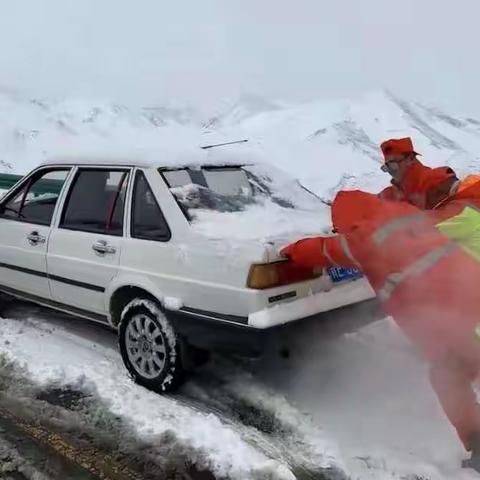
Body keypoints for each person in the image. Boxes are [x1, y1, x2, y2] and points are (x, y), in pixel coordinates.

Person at [281, 138, 480, 471]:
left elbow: (322, 250)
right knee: (448, 374)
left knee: (448, 374)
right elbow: (385, 210)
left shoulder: (376, 232)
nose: (388, 172)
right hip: (465, 301)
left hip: (460, 321)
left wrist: (290, 251)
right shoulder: (406, 212)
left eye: (391, 165)